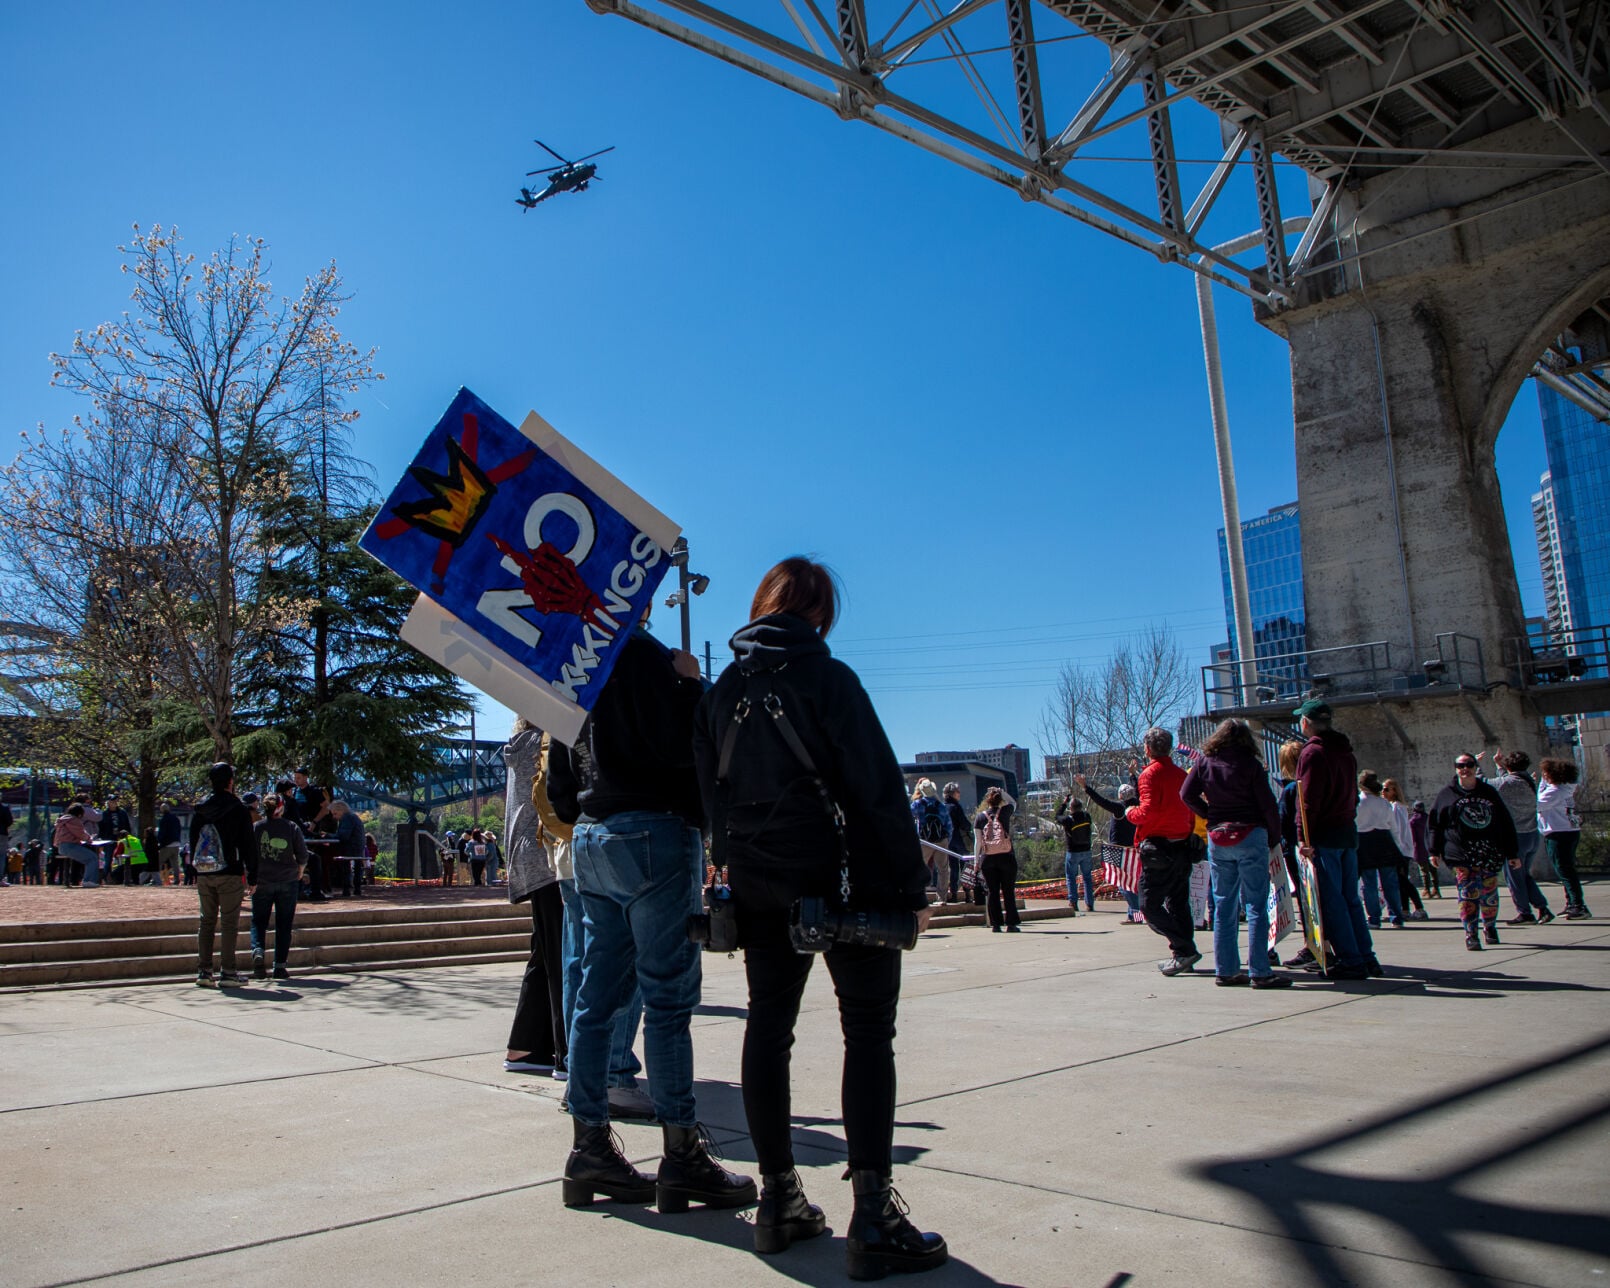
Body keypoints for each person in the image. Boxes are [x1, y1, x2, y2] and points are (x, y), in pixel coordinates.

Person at [693, 557, 944, 1277]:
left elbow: (716, 810)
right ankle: (873, 1214)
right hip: (848, 885)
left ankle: (778, 1202)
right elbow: (874, 792)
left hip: (761, 888)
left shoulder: (721, 694)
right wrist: (909, 892)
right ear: (819, 617)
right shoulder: (831, 681)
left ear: (760, 607)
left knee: (768, 1030)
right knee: (868, 1033)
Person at [548, 621, 754, 1215]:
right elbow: (679, 748)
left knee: (595, 997)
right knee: (666, 1003)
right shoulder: (648, 657)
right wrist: (689, 686)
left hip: (592, 836)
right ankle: (682, 1155)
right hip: (654, 831)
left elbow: (561, 782)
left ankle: (589, 1147)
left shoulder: (574, 662)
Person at [534, 731, 649, 1109]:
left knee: (578, 962)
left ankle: (577, 1067)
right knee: (621, 960)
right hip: (609, 834)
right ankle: (612, 1073)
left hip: (568, 843)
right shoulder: (614, 693)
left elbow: (555, 786)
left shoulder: (563, 705)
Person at [1181, 719, 1290, 989]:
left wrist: (1209, 815)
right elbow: (1267, 805)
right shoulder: (1250, 765)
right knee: (1255, 904)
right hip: (1251, 834)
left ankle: (1226, 970)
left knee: (1223, 905)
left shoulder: (1204, 763)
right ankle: (1260, 970)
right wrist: (1274, 838)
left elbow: (1186, 794)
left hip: (1219, 837)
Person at [1293, 699, 1377, 981]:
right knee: (1351, 898)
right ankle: (1365, 955)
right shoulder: (1346, 753)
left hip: (1325, 835)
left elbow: (1307, 801)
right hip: (1346, 832)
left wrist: (1302, 836)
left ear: (1306, 723)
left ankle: (1351, 959)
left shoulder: (1313, 753)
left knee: (1333, 901)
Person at [502, 719, 566, 1076]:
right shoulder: (546, 741)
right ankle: (568, 1053)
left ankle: (525, 1048)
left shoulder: (520, 744)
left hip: (527, 856)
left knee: (545, 953)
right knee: (562, 956)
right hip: (548, 854)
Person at [1126, 729, 1199, 974]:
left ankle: (1184, 948)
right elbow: (1190, 810)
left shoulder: (1149, 775)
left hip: (1158, 847)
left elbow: (1147, 812)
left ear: (1148, 749)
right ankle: (1182, 954)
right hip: (1182, 845)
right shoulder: (1181, 774)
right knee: (1179, 904)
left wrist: (1129, 812)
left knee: (1149, 905)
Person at [1430, 753, 1518, 950]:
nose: (1465, 769)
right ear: (1455, 768)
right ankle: (1471, 933)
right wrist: (1434, 851)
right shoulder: (1447, 794)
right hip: (1461, 853)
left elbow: (1504, 822)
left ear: (1475, 767)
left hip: (1488, 851)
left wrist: (1512, 853)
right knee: (1468, 893)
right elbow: (1435, 824)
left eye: (1469, 765)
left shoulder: (1488, 792)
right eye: (1460, 765)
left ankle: (1489, 927)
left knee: (1488, 893)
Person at [191, 762, 255, 987]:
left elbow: (193, 840)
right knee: (229, 923)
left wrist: (193, 870)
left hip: (204, 871)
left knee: (206, 921)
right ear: (230, 782)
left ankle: (204, 972)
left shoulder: (201, 808)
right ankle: (228, 972)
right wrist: (253, 875)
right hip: (230, 871)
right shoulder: (237, 808)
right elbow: (248, 843)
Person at [1486, 750, 1554, 926]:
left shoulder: (1507, 783)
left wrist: (1477, 766)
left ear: (1508, 766)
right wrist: (1500, 766)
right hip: (1532, 834)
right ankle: (1542, 907)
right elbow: (1505, 782)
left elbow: (1485, 783)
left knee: (1514, 877)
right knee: (1523, 875)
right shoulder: (1528, 781)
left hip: (1515, 838)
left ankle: (1525, 913)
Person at [250, 794, 307, 980]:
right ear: (281, 809)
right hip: (287, 881)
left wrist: (250, 879)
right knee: (284, 924)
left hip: (262, 881)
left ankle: (258, 952)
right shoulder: (291, 827)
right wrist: (299, 871)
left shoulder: (257, 828)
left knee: (259, 921)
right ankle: (280, 967)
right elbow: (303, 855)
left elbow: (247, 855)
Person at [1080, 773, 1142, 922]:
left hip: (1118, 850)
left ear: (1121, 796)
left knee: (1122, 883)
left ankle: (1136, 912)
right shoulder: (1138, 805)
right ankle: (1133, 915)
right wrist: (1133, 775)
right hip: (1133, 849)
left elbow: (1101, 801)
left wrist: (1086, 788)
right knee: (1132, 882)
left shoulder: (1119, 808)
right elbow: (1138, 790)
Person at [1538, 757, 1590, 919]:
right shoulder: (1565, 789)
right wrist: (1542, 781)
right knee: (1566, 868)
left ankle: (1578, 905)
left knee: (1564, 869)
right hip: (1569, 830)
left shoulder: (1554, 792)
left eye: (1546, 773)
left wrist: (1541, 783)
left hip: (1558, 832)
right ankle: (1572, 903)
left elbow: (1537, 804)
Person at [1356, 771, 1409, 930]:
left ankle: (1374, 918)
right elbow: (1394, 828)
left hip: (1365, 842)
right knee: (1390, 883)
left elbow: (1354, 825)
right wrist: (1398, 846)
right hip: (1385, 841)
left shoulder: (1358, 802)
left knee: (1369, 883)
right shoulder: (1384, 803)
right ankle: (1397, 918)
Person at [974, 786, 1020, 933]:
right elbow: (1013, 803)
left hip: (988, 858)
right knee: (1008, 891)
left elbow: (978, 841)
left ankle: (996, 924)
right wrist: (1002, 792)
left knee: (993, 892)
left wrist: (976, 861)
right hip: (1006, 856)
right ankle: (1011, 923)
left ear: (987, 801)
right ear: (1000, 800)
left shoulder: (980, 817)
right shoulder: (1005, 812)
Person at [1381, 779, 1427, 920]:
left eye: (1386, 789)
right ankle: (1405, 909)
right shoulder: (1393, 806)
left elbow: (1399, 830)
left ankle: (1419, 908)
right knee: (1401, 882)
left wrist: (1397, 850)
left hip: (1401, 850)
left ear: (1394, 791)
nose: (1383, 792)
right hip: (1400, 850)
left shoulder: (1396, 807)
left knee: (1403, 881)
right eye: (1382, 789)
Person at [1054, 792, 1096, 913]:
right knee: (1087, 878)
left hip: (1073, 852)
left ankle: (1073, 902)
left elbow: (1057, 816)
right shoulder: (1087, 816)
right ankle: (1089, 904)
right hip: (1086, 850)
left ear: (1071, 808)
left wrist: (1064, 803)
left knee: (1071, 877)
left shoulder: (1068, 820)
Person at [910, 779, 948, 894]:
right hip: (941, 839)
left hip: (924, 840)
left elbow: (907, 817)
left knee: (918, 867)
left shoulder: (917, 804)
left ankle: (918, 895)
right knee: (943, 869)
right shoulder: (940, 804)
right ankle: (942, 897)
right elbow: (947, 823)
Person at [53, 804, 98, 887]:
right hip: (70, 846)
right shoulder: (74, 820)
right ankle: (88, 881)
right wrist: (89, 839)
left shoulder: (63, 820)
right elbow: (80, 834)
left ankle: (87, 880)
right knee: (92, 858)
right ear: (79, 814)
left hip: (61, 847)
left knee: (88, 859)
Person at [327, 799, 365, 897]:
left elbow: (343, 836)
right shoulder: (353, 817)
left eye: (335, 814)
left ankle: (346, 889)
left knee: (345, 867)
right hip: (358, 848)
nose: (334, 817)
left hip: (350, 848)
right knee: (356, 867)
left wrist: (328, 835)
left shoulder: (347, 818)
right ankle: (356, 889)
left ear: (341, 811)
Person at [942, 783, 972, 902]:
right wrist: (969, 827)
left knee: (953, 868)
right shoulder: (956, 807)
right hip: (960, 840)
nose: (959, 793)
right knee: (965, 867)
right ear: (953, 793)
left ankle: (953, 894)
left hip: (948, 841)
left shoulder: (943, 807)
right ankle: (967, 894)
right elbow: (964, 823)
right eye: (958, 791)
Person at [1408, 799, 1440, 898]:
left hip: (1419, 848)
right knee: (1433, 870)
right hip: (1430, 847)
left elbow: (1412, 837)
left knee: (1424, 871)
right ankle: (1436, 890)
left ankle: (1427, 890)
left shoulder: (1413, 821)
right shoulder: (1429, 818)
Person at [158, 802, 183, 885]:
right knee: (175, 863)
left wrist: (160, 843)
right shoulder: (175, 818)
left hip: (167, 844)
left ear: (162, 810)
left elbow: (162, 833)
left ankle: (156, 879)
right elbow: (179, 829)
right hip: (176, 843)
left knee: (159, 861)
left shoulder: (164, 820)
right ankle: (177, 880)